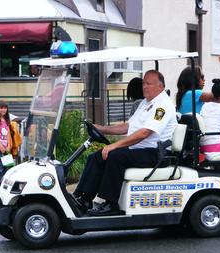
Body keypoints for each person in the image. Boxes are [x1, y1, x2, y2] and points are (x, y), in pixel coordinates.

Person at [73, 70, 178, 215]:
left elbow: (145, 132)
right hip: (140, 150)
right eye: (143, 83)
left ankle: (111, 204)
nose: (144, 87)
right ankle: (83, 198)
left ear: (160, 86)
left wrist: (114, 145)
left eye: (149, 84)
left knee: (115, 156)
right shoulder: (145, 103)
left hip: (156, 153)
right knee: (96, 156)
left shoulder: (163, 106)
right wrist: (103, 129)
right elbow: (128, 126)